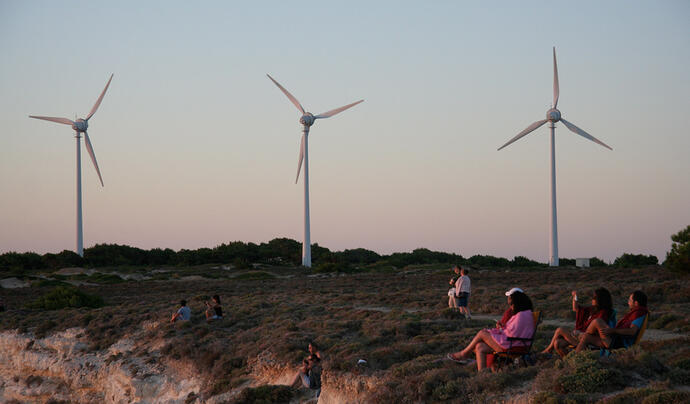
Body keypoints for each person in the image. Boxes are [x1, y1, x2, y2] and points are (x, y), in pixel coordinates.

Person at [447, 291, 534, 371]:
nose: (511, 307)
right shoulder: (525, 314)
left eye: (511, 304)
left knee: (482, 333)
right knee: (479, 347)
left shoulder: (521, 316)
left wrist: (498, 331)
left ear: (518, 303)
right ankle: (481, 375)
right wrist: (502, 327)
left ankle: (464, 354)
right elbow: (513, 331)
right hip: (516, 344)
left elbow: (511, 334)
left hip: (513, 346)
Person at [541, 287, 613, 357]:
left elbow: (596, 331)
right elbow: (576, 309)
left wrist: (580, 333)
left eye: (594, 298)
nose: (592, 299)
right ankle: (567, 362)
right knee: (557, 343)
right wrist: (575, 297)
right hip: (580, 337)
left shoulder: (603, 313)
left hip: (588, 340)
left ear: (600, 300)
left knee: (560, 330)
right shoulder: (593, 309)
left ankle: (548, 350)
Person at [575, 290, 648, 352]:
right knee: (586, 337)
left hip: (619, 344)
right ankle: (574, 359)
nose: (628, 302)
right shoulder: (637, 313)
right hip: (615, 341)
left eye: (630, 300)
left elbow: (632, 331)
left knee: (597, 321)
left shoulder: (639, 313)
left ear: (636, 303)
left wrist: (612, 330)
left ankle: (579, 336)